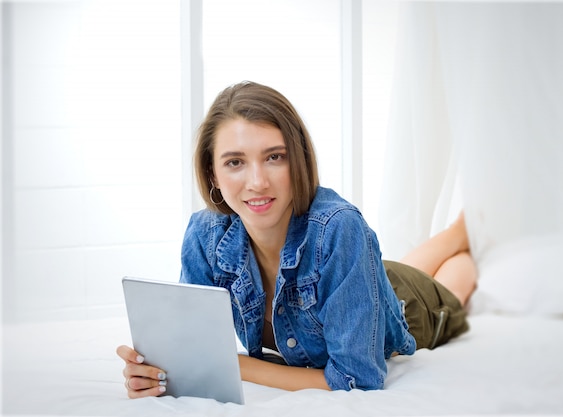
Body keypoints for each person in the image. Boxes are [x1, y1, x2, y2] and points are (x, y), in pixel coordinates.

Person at [116, 81, 477, 397]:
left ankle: (467, 240)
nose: (257, 182)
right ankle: (454, 235)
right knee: (389, 269)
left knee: (453, 286)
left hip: (407, 306)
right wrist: (155, 374)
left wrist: (240, 367)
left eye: (274, 157)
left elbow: (358, 379)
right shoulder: (204, 234)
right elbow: (192, 351)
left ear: (299, 161)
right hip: (355, 275)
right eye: (235, 162)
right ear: (212, 172)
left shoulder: (340, 228)